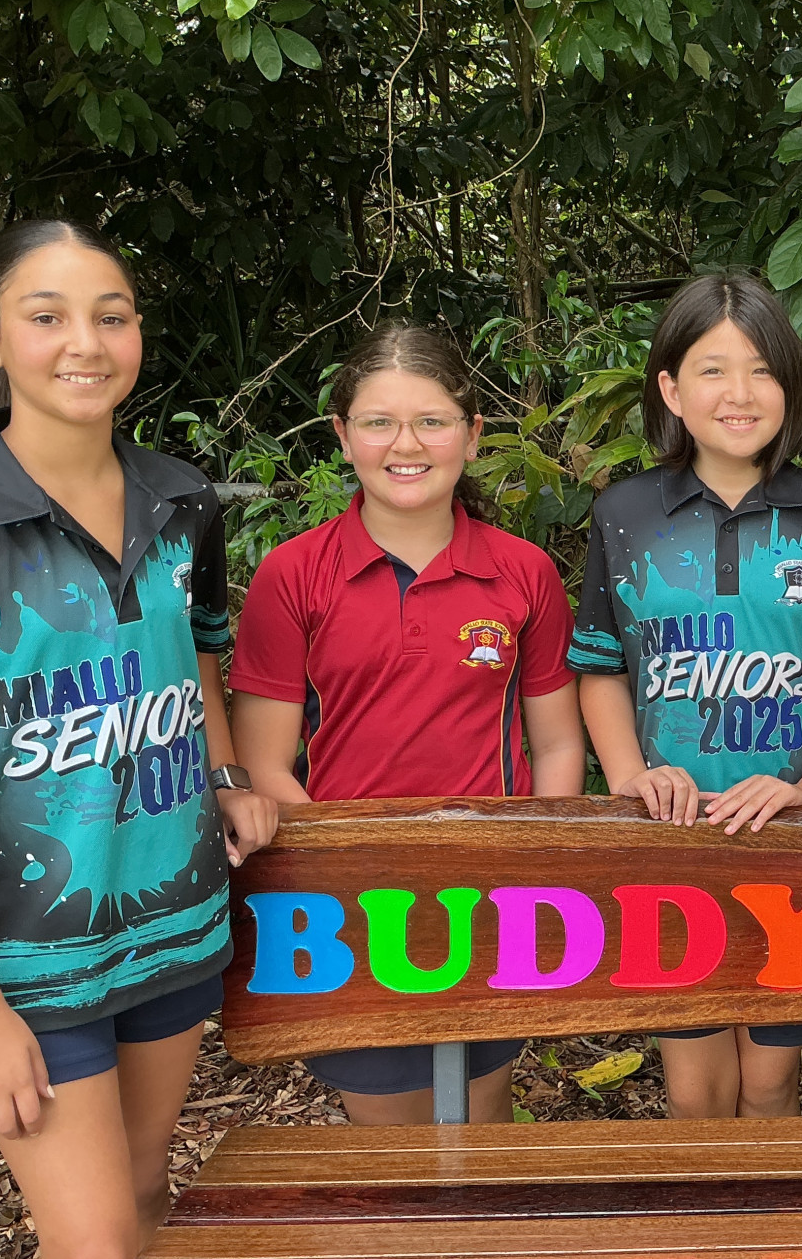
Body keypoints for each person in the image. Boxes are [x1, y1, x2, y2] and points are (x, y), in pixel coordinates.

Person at [0, 219, 279, 1257]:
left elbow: (200, 656)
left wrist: (225, 771)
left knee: (141, 1200)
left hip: (171, 921)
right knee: (94, 1243)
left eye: (110, 315)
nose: (84, 341)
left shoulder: (182, 501)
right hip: (29, 959)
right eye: (47, 316)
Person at [228, 324, 585, 1125]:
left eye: (432, 420)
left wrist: (539, 863)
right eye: (379, 421)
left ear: (472, 433)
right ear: (342, 436)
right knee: (391, 1150)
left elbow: (557, 741)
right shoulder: (294, 574)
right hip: (353, 908)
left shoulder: (522, 570)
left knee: (478, 1140)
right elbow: (264, 762)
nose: (406, 443)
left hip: (494, 899)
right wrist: (353, 878)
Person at [567, 272, 802, 1118]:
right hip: (672, 837)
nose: (739, 394)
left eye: (761, 369)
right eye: (712, 369)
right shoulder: (624, 512)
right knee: (696, 1078)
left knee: (773, 1076)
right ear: (670, 387)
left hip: (796, 832)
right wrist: (632, 774)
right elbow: (599, 665)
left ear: (791, 384)